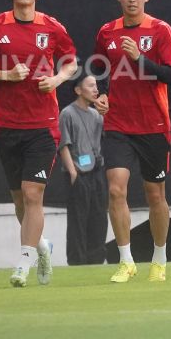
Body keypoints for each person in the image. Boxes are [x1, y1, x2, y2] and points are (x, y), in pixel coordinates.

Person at [0, 0, 78, 287]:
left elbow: (71, 62)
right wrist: (5, 74)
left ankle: (24, 263)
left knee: (34, 194)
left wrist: (57, 79)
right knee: (19, 200)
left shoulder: (52, 27)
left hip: (43, 124)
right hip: (7, 123)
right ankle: (42, 247)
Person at [93, 0, 171, 283]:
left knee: (154, 194)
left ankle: (159, 258)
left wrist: (139, 58)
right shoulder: (107, 32)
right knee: (116, 189)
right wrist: (101, 96)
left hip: (154, 124)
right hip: (117, 124)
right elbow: (102, 70)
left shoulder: (161, 30)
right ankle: (126, 260)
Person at [58, 73, 107, 266]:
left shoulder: (97, 115)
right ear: (78, 90)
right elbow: (63, 145)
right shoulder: (67, 113)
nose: (96, 89)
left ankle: (96, 260)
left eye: (96, 85)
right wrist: (72, 172)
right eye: (90, 86)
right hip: (78, 173)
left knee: (99, 217)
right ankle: (77, 261)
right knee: (78, 220)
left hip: (96, 172)